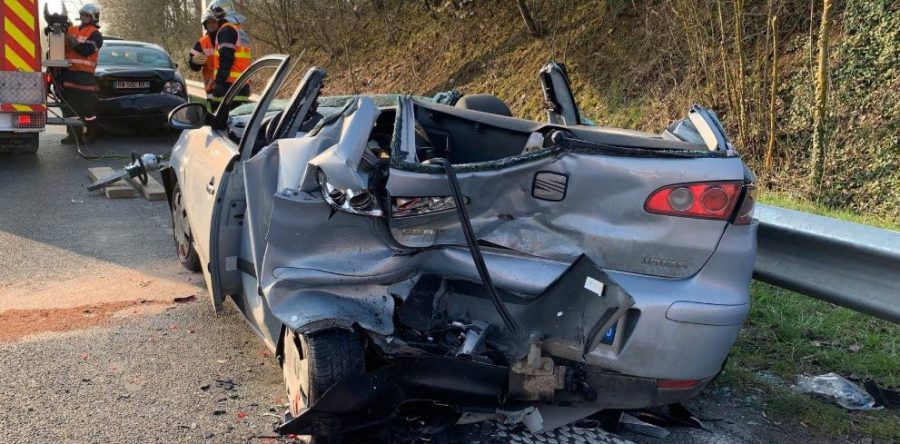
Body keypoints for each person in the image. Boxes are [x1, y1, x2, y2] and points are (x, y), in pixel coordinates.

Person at [59, 4, 103, 144]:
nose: (84, 17)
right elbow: (60, 47)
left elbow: (85, 50)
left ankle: (91, 134)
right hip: (69, 74)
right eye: (83, 15)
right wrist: (58, 30)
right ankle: (74, 136)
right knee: (69, 106)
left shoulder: (96, 34)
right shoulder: (71, 29)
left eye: (87, 15)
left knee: (87, 108)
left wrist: (68, 37)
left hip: (85, 76)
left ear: (94, 17)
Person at [208, 0, 251, 109]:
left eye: (214, 13)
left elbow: (226, 59)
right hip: (242, 86)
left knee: (220, 123)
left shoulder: (226, 30)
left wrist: (219, 83)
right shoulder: (239, 30)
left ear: (219, 12)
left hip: (229, 87)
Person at [187, 11, 219, 108]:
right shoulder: (202, 43)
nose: (211, 25)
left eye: (214, 21)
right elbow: (192, 63)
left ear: (218, 23)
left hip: (228, 85)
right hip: (212, 89)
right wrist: (193, 61)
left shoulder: (226, 37)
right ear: (205, 25)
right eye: (208, 22)